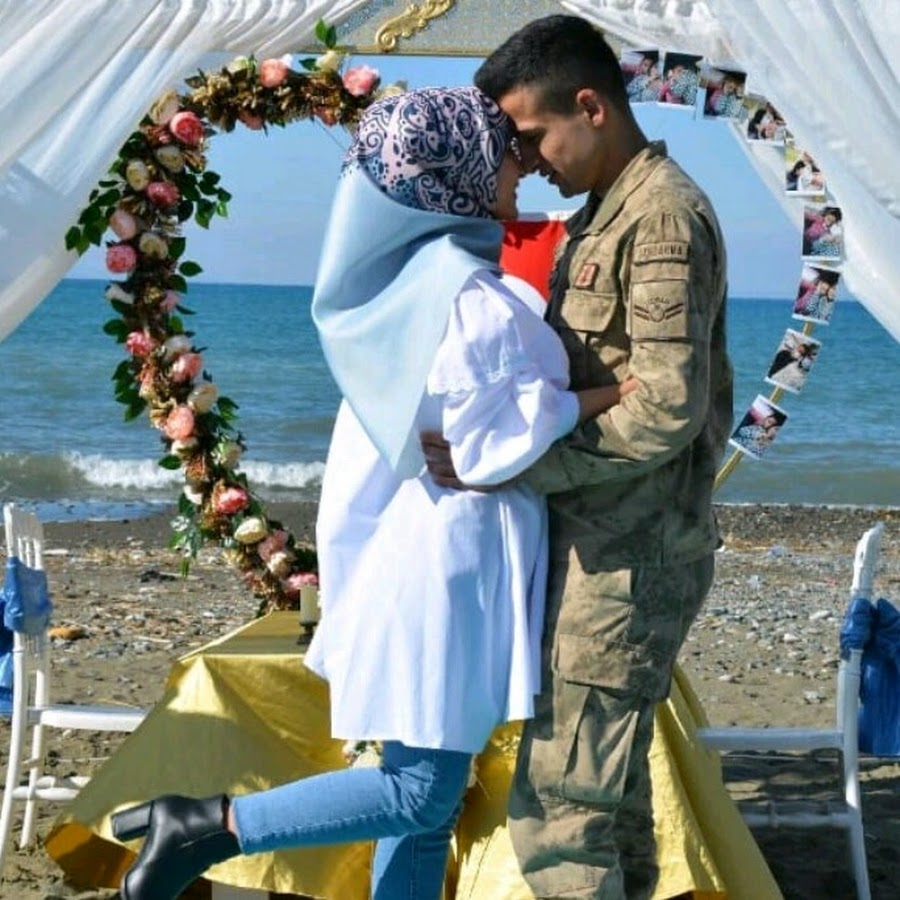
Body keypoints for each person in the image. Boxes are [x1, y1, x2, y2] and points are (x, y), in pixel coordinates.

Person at [108, 86, 635, 900]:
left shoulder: (403, 290)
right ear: (454, 176)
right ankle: (209, 825)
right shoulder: (473, 300)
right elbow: (490, 444)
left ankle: (213, 827)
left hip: (416, 555)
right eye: (503, 154)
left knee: (423, 810)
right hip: (451, 571)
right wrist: (613, 393)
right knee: (419, 792)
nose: (522, 167)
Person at [423, 14, 733, 900]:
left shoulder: (660, 216)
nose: (524, 162)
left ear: (591, 106)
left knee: (562, 821)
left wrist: (517, 467)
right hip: (602, 545)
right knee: (607, 810)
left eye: (531, 135)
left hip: (628, 556)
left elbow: (665, 407)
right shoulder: (607, 212)